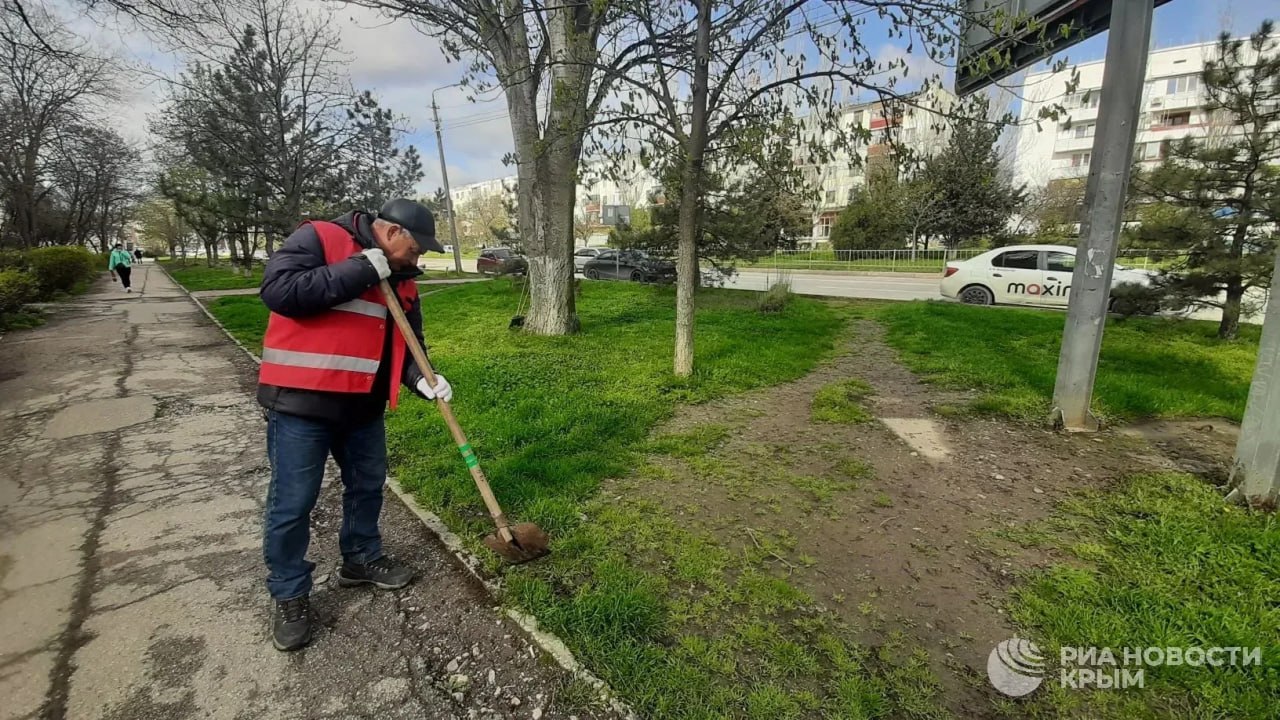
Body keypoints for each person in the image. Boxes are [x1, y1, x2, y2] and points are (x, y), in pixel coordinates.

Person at [257, 198, 452, 652]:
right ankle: (289, 592)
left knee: (367, 487)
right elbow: (280, 292)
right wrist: (362, 269)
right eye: (416, 248)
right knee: (292, 503)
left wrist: (423, 380)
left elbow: (408, 343)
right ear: (392, 233)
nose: (418, 258)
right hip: (303, 404)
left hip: (362, 406)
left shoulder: (403, 280)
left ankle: (361, 558)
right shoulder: (319, 237)